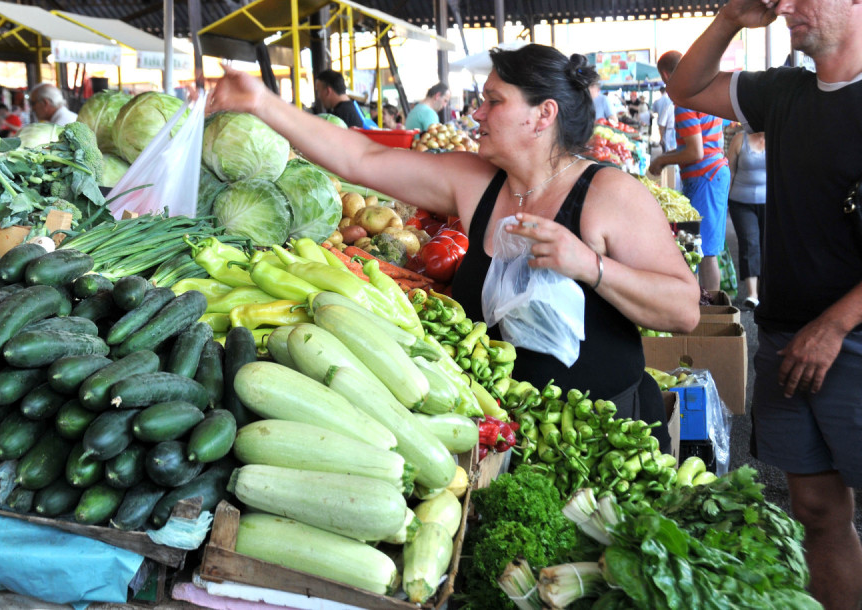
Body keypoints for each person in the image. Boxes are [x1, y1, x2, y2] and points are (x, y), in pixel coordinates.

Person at [207, 43, 700, 449]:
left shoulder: (608, 195)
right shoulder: (475, 181)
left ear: (542, 114)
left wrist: (591, 266)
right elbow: (361, 159)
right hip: (498, 432)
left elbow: (684, 310)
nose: (475, 113)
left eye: (494, 101)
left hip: (600, 440)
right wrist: (262, 103)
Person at [666, 0, 862, 607]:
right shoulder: (786, 92)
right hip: (784, 333)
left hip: (848, 339)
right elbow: (687, 87)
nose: (787, 5)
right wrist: (728, 19)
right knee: (815, 507)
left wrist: (833, 326)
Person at [648, 50, 731, 293]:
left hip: (706, 177)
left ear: (665, 74)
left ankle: (710, 313)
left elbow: (696, 152)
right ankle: (701, 307)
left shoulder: (684, 102)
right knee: (695, 247)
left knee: (704, 251)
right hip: (710, 175)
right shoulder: (703, 94)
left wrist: (663, 158)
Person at [725, 128, 766, 310]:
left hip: (769, 202)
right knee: (750, 243)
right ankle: (753, 294)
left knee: (767, 245)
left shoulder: (777, 138)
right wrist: (724, 199)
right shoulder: (740, 139)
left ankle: (766, 291)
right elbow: (730, 172)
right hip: (741, 202)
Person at [650, 86, 677, 151]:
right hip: (674, 130)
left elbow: (661, 123)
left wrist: (661, 137)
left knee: (667, 150)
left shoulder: (661, 103)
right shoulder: (670, 103)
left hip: (667, 130)